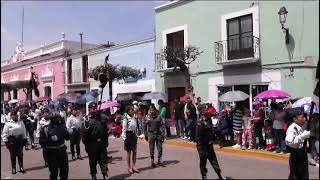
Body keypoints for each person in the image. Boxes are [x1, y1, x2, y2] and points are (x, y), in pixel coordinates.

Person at [195, 104, 225, 180]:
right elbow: (198, 138)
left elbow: (211, 132)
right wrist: (201, 150)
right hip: (203, 146)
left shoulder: (209, 119)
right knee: (203, 163)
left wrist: (216, 138)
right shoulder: (200, 123)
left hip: (209, 145)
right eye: (205, 109)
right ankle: (204, 176)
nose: (207, 110)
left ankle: (220, 176)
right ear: (201, 111)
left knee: (214, 161)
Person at [39, 112, 70, 180]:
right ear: (52, 119)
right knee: (54, 172)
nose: (58, 119)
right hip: (52, 152)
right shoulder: (46, 129)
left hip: (62, 151)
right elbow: (41, 141)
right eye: (56, 118)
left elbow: (67, 137)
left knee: (64, 171)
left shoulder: (62, 126)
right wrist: (50, 140)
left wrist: (68, 132)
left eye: (59, 118)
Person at [82, 102, 108, 180]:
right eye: (93, 108)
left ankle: (105, 174)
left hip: (101, 143)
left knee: (103, 159)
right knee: (93, 161)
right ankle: (93, 174)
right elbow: (84, 135)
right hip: (92, 144)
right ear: (89, 109)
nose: (95, 109)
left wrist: (106, 142)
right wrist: (86, 146)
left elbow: (105, 131)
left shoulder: (101, 118)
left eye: (96, 108)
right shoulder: (86, 120)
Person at [285, 107, 310, 179]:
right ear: (295, 119)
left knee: (304, 175)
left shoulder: (303, 125)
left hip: (303, 153)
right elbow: (290, 142)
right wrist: (303, 136)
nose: (304, 119)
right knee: (295, 176)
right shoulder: (292, 129)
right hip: (296, 155)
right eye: (302, 117)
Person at [2, 109, 27, 174]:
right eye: (13, 115)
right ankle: (14, 168)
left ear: (17, 115)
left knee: (20, 154)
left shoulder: (20, 122)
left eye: (15, 115)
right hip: (12, 141)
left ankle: (21, 167)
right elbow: (4, 133)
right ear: (11, 116)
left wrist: (25, 139)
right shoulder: (8, 123)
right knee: (13, 155)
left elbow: (24, 131)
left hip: (19, 140)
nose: (14, 116)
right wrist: (6, 142)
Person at [121, 105, 140, 174]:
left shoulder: (134, 117)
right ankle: (129, 167)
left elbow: (137, 110)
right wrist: (124, 139)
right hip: (128, 135)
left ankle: (134, 166)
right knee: (129, 152)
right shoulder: (126, 118)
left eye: (133, 109)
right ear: (128, 111)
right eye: (131, 110)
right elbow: (124, 129)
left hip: (134, 135)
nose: (133, 111)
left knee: (134, 151)